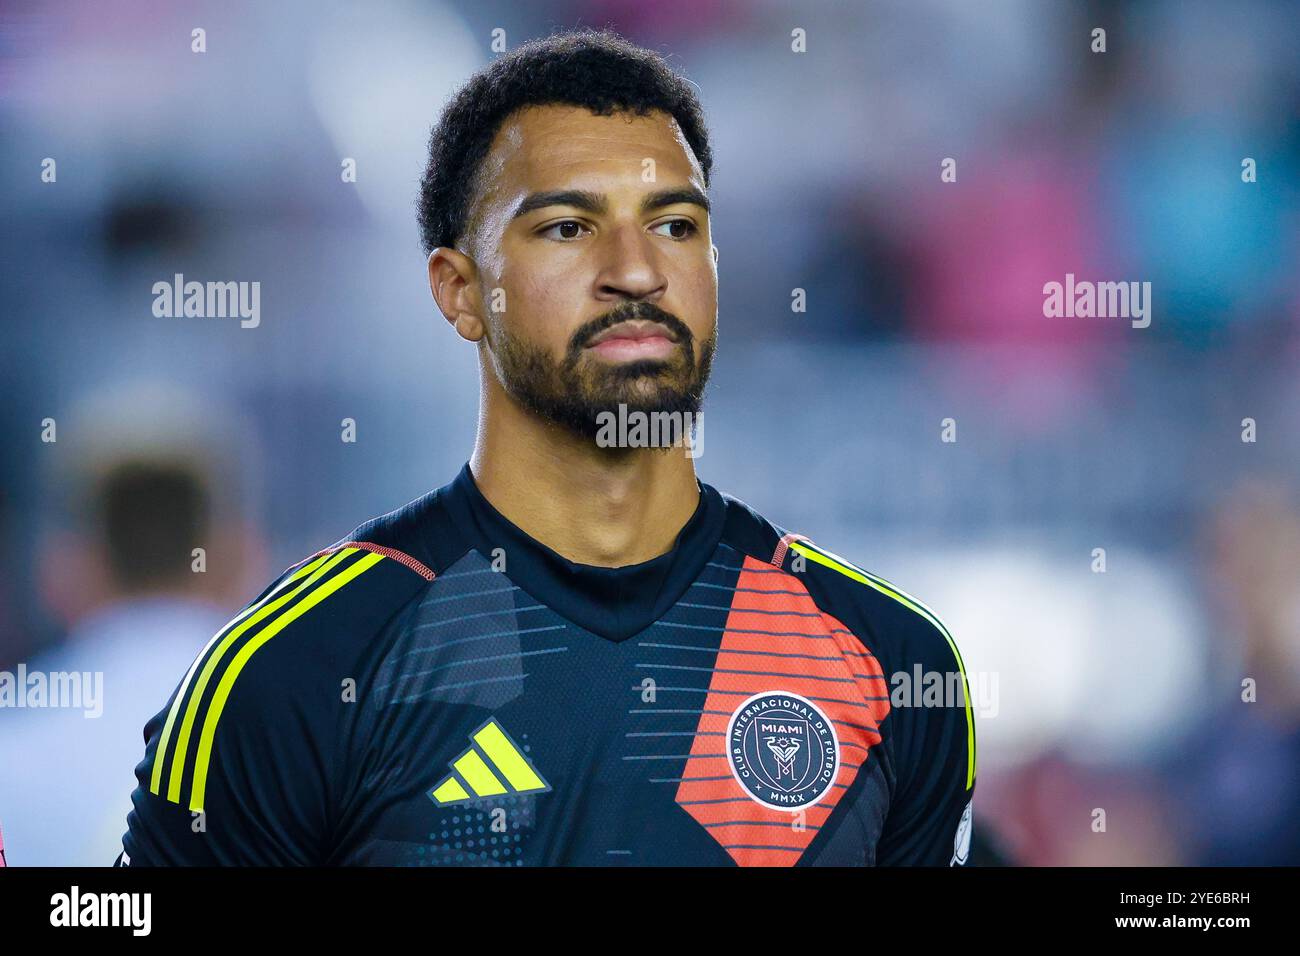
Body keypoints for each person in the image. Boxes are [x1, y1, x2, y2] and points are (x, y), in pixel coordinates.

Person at [118, 28, 975, 867]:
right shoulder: (295, 671)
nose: (636, 271)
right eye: (568, 228)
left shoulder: (891, 663)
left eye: (675, 225)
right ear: (460, 293)